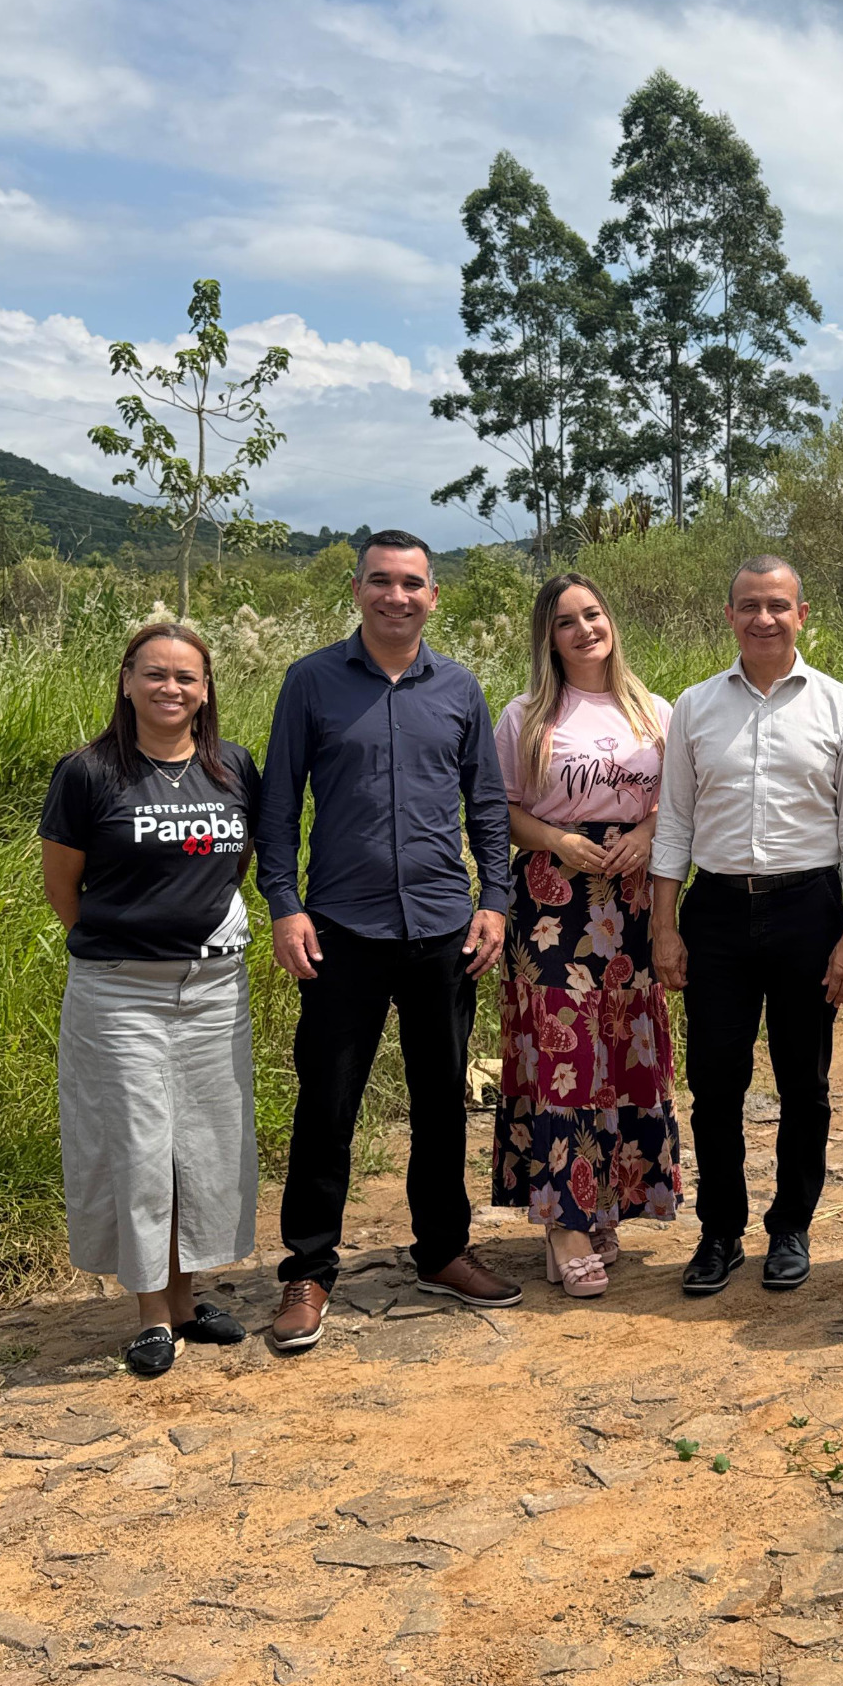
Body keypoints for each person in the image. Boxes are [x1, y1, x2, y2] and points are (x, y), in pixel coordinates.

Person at [256, 529, 519, 1352]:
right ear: (358, 589)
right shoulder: (312, 682)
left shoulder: (459, 689)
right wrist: (284, 905)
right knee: (327, 1101)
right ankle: (308, 1267)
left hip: (444, 927)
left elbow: (486, 805)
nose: (395, 596)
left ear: (434, 595)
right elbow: (277, 805)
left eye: (411, 583)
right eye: (380, 581)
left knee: (442, 1097)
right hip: (341, 931)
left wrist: (496, 902)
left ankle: (441, 1248)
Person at [650, 557, 843, 1296]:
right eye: (749, 605)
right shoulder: (695, 705)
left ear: (802, 614)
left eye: (778, 605)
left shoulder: (841, 707)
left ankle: (791, 1226)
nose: (764, 619)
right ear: (729, 617)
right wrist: (664, 925)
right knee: (716, 1083)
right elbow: (675, 822)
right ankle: (719, 1233)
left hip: (807, 908)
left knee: (803, 1084)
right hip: (714, 909)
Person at [39, 622, 261, 1378]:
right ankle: (149, 1314)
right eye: (156, 674)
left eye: (187, 678)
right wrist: (127, 948)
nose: (172, 688)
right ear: (127, 680)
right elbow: (62, 888)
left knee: (204, 1144)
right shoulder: (89, 772)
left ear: (206, 691)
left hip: (213, 991)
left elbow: (236, 867)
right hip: (119, 995)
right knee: (138, 1149)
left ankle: (191, 1299)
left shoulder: (233, 767)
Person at [493, 574, 682, 1296]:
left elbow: (682, 801)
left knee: (622, 1050)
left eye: (593, 614)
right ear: (549, 636)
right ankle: (564, 1223)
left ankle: (603, 1201)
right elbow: (501, 811)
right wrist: (560, 843)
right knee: (562, 1054)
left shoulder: (653, 709)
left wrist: (647, 831)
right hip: (553, 899)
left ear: (611, 621)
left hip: (632, 899)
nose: (583, 630)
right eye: (565, 621)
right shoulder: (526, 716)